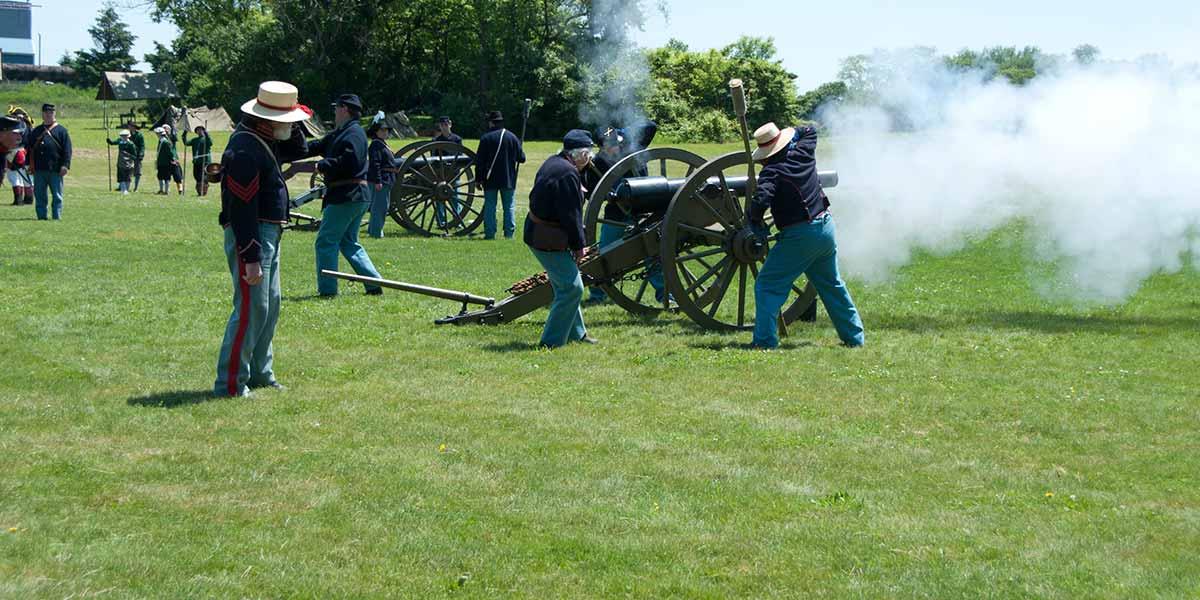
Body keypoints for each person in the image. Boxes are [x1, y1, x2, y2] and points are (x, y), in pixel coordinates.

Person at [213, 80, 313, 397]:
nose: (292, 126)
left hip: (269, 233)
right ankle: (230, 384)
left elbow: (301, 149)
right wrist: (251, 257)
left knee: (269, 306)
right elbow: (242, 208)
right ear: (265, 121)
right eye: (286, 120)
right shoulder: (245, 148)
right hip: (252, 235)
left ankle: (260, 373)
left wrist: (290, 121)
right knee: (251, 309)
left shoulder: (263, 138)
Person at [747, 122, 864, 349]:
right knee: (832, 285)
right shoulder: (803, 152)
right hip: (826, 227)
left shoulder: (772, 170)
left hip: (801, 236)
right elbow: (809, 129)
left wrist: (753, 219)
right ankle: (854, 338)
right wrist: (791, 133)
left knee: (767, 285)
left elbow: (762, 199)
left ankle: (764, 342)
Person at [523, 130, 599, 348]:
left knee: (566, 285)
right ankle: (551, 342)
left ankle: (577, 333)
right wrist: (579, 246)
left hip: (540, 232)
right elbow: (571, 215)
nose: (590, 158)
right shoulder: (567, 174)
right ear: (580, 154)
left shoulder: (555, 163)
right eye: (589, 153)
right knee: (572, 288)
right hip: (548, 238)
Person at [581, 121, 669, 305]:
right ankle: (598, 295)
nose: (615, 148)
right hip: (616, 216)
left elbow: (651, 126)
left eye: (617, 142)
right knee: (604, 253)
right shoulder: (597, 163)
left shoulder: (633, 149)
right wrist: (607, 194)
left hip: (644, 210)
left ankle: (665, 293)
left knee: (652, 253)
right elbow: (591, 193)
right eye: (610, 146)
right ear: (601, 147)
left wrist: (625, 132)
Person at [304, 93, 384, 296]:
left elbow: (351, 161)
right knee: (348, 242)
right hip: (354, 196)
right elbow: (315, 147)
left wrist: (322, 165)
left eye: (336, 107)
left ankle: (328, 290)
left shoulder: (354, 133)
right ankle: (374, 284)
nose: (334, 111)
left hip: (346, 195)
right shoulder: (342, 132)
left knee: (326, 241)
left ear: (344, 109)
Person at [474, 110, 525, 239]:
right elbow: (522, 158)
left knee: (490, 206)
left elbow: (479, 161)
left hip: (490, 179)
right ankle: (509, 234)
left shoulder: (486, 138)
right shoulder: (512, 137)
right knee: (509, 207)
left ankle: (490, 234)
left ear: (491, 123)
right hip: (508, 179)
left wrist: (478, 179)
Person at [27, 103, 72, 220]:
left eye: (51, 113)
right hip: (39, 169)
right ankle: (41, 217)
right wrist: (29, 164)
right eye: (46, 113)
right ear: (42, 114)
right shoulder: (36, 131)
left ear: (54, 114)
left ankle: (56, 216)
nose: (48, 115)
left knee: (57, 196)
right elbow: (29, 149)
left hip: (56, 169)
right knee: (40, 195)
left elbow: (67, 150)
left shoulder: (62, 131)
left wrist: (65, 165)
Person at [431, 116, 463, 228]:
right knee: (439, 198)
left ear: (450, 124)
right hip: (440, 173)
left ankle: (457, 220)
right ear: (439, 126)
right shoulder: (436, 141)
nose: (444, 126)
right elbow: (433, 158)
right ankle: (441, 221)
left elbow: (461, 155)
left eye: (446, 124)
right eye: (442, 125)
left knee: (456, 197)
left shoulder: (457, 139)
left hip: (454, 173)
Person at [365, 115, 394, 239]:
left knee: (380, 207)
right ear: (376, 132)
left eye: (386, 130)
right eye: (382, 130)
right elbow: (375, 164)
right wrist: (378, 181)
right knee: (380, 207)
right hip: (381, 179)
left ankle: (373, 231)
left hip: (386, 178)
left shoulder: (382, 144)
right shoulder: (376, 145)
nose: (385, 132)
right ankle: (376, 233)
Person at [2, 116, 28, 205]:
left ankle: (19, 200)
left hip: (15, 157)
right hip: (18, 157)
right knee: (17, 179)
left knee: (15, 179)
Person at [183, 125, 214, 196]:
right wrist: (184, 134)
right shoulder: (194, 140)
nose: (199, 131)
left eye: (201, 130)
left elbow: (210, 143)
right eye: (198, 130)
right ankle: (199, 191)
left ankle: (204, 190)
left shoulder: (206, 139)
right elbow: (186, 143)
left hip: (205, 161)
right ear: (196, 132)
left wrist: (207, 134)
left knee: (205, 177)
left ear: (203, 131)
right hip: (197, 162)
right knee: (197, 176)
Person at [105, 129, 137, 194]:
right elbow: (113, 143)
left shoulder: (131, 144)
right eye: (122, 136)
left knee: (127, 177)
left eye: (125, 136)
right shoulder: (120, 141)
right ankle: (123, 190)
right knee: (121, 177)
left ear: (128, 136)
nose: (123, 137)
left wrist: (127, 155)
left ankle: (126, 190)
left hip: (128, 163)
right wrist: (109, 141)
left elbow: (134, 156)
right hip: (120, 162)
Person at [153, 127, 178, 195]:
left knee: (166, 177)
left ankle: (166, 191)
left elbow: (170, 152)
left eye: (157, 134)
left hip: (166, 162)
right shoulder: (161, 141)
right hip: (161, 162)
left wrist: (173, 159)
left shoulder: (166, 142)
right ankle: (161, 190)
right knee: (160, 176)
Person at [163, 124, 184, 195]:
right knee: (166, 175)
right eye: (163, 128)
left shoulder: (172, 137)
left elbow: (175, 137)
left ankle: (180, 189)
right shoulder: (162, 138)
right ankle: (166, 189)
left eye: (166, 128)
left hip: (174, 158)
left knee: (177, 175)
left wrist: (173, 130)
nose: (165, 130)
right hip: (166, 159)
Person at [127, 121, 146, 192]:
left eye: (130, 126)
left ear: (133, 127)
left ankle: (136, 187)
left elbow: (142, 146)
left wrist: (141, 154)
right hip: (129, 155)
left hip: (137, 156)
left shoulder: (139, 135)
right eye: (128, 126)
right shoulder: (128, 135)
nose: (129, 127)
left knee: (137, 172)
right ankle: (126, 186)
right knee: (128, 171)